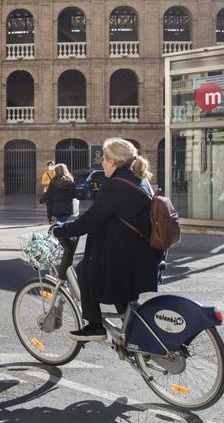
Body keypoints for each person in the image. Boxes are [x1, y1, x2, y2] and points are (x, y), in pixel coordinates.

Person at [52, 138, 160, 341]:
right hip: (142, 252)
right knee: (121, 294)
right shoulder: (139, 180)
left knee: (85, 269)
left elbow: (92, 219)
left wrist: (62, 229)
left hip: (128, 256)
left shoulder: (115, 186)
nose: (102, 163)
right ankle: (133, 337)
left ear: (113, 161)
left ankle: (94, 326)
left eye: (104, 158)